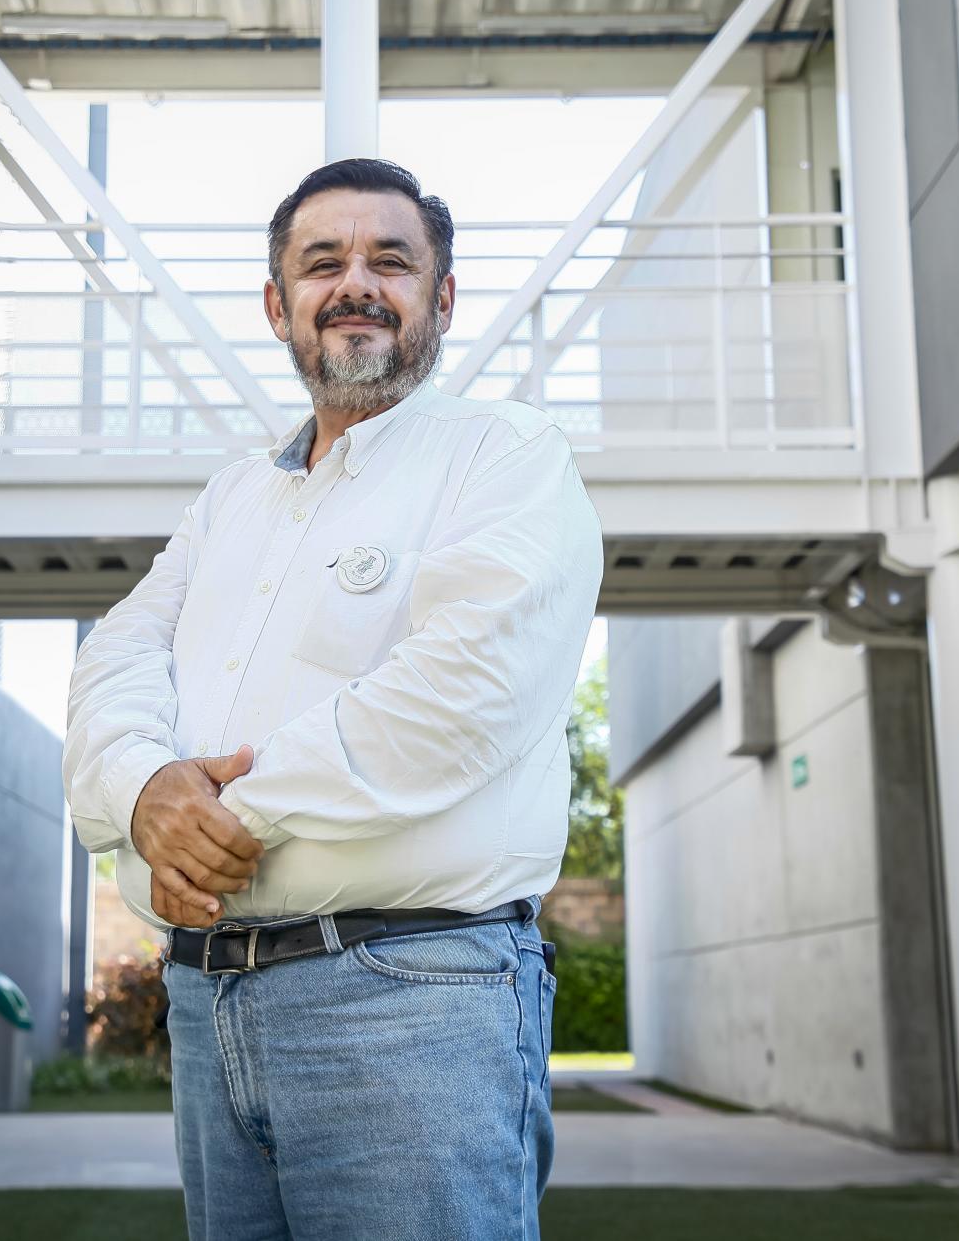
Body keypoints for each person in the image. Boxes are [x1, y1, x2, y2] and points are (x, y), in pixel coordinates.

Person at [63, 158, 604, 1241]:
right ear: (279, 305)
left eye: (389, 260)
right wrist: (140, 792)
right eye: (323, 263)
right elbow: (116, 656)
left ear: (440, 298)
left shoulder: (506, 457)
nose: (355, 282)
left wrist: (207, 824)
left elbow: (454, 701)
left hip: (411, 999)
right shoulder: (232, 497)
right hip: (211, 1000)